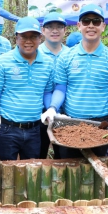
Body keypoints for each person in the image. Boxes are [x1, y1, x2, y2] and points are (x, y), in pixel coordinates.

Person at [41, 4, 108, 158]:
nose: (91, 25)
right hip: (70, 123)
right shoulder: (65, 57)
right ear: (79, 26)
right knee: (66, 167)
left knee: (96, 168)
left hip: (100, 124)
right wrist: (53, 107)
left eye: (96, 21)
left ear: (103, 26)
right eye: (86, 21)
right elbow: (60, 89)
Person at [0, 17, 54, 160]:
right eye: (24, 36)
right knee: (5, 171)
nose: (28, 41)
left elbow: (47, 92)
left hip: (35, 129)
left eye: (33, 36)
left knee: (32, 172)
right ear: (16, 38)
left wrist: (51, 108)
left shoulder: (48, 63)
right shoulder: (2, 61)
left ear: (40, 37)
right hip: (6, 129)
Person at [38, 12, 69, 158]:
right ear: (43, 30)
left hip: (67, 115)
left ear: (65, 30)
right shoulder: (34, 53)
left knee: (64, 156)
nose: (54, 31)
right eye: (50, 27)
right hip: (39, 115)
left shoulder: (71, 54)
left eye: (59, 27)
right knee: (38, 154)